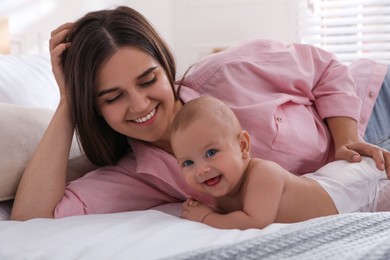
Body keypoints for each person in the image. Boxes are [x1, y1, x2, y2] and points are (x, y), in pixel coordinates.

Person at [10, 6, 390, 220]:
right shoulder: (135, 176)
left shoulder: (227, 71)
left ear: (165, 64)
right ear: (93, 108)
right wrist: (66, 106)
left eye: (147, 80)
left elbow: (326, 69)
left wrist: (348, 140)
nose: (140, 105)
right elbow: (30, 218)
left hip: (370, 111)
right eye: (113, 97)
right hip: (348, 188)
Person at [170, 96, 390, 230]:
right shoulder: (220, 189)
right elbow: (232, 218)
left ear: (243, 146)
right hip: (331, 184)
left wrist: (206, 217)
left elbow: (254, 222)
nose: (201, 169)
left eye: (211, 152)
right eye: (188, 162)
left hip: (357, 187)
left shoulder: (262, 174)